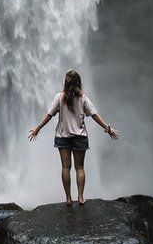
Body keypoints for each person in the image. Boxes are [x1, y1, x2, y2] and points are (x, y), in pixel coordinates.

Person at [28, 69, 119, 205]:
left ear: (65, 82)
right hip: (80, 137)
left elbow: (49, 115)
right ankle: (81, 198)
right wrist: (108, 128)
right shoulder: (83, 98)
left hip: (63, 136)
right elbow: (94, 115)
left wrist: (38, 128)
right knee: (80, 167)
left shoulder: (59, 97)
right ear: (78, 83)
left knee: (65, 167)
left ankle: (68, 199)